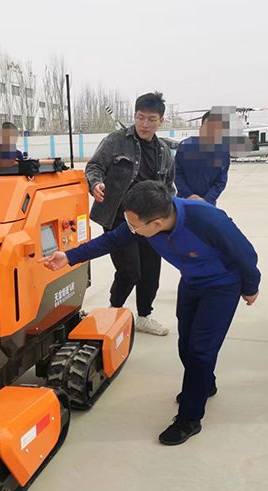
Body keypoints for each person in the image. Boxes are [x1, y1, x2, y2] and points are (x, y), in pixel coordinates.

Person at [40, 180, 260, 444]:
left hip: (222, 286)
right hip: (192, 282)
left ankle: (189, 419)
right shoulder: (143, 221)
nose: (131, 229)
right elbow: (111, 240)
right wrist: (69, 256)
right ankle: (204, 383)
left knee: (201, 350)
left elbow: (245, 253)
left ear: (156, 224)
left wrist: (250, 287)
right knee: (186, 342)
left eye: (134, 225)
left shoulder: (207, 220)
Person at [85, 92, 175, 336]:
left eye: (151, 119)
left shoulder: (164, 151)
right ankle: (113, 311)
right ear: (134, 116)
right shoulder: (116, 141)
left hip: (150, 221)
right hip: (118, 217)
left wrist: (171, 216)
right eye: (140, 117)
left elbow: (168, 187)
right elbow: (94, 166)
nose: (145, 124)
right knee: (130, 270)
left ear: (161, 121)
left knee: (150, 272)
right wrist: (96, 184)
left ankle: (144, 316)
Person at [174, 108, 232, 206]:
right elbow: (177, 173)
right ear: (201, 129)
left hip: (207, 203)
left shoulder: (223, 152)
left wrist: (206, 199)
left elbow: (220, 181)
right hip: (184, 201)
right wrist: (189, 195)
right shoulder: (185, 146)